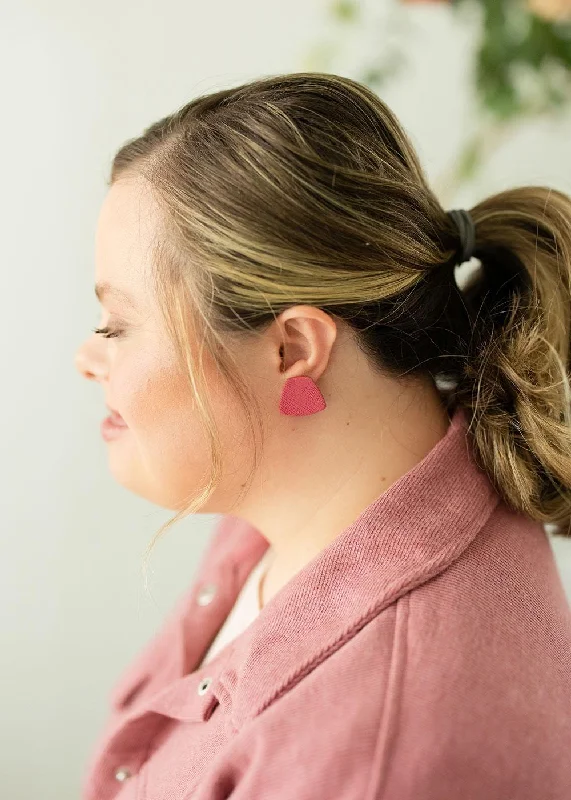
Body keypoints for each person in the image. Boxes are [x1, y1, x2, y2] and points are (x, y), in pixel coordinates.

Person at [74, 72, 571, 800]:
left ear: (292, 350)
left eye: (116, 325)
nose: (87, 358)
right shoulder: (288, 499)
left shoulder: (381, 759)